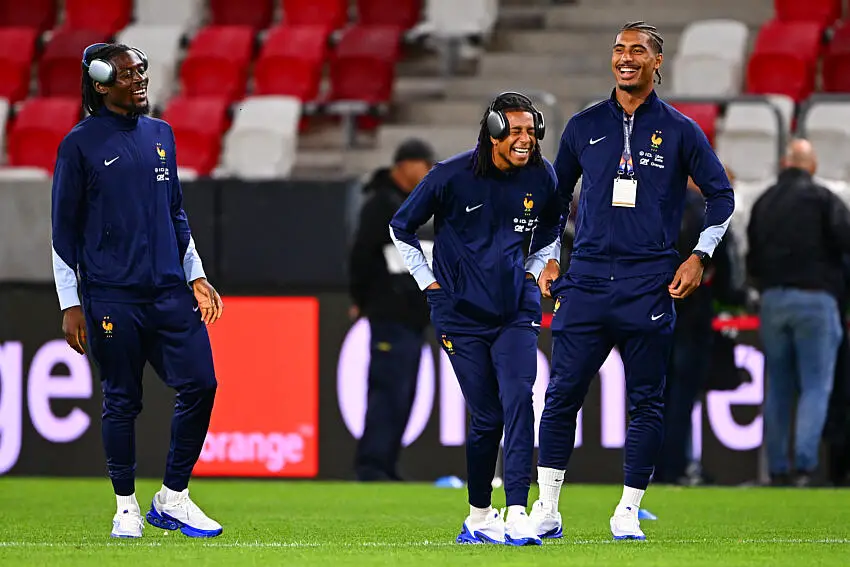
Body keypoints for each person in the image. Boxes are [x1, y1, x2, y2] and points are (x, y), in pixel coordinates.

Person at [529, 21, 735, 540]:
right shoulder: (582, 126)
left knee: (646, 401)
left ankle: (627, 510)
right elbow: (555, 204)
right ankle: (547, 510)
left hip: (649, 284)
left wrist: (699, 256)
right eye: (619, 49)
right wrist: (548, 259)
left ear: (657, 62)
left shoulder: (683, 130)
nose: (626, 57)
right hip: (588, 282)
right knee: (560, 399)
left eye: (638, 50)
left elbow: (722, 196)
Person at [51, 43, 224, 539]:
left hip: (169, 291)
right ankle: (125, 506)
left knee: (202, 384)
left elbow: (176, 214)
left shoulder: (161, 134)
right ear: (101, 85)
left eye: (142, 71)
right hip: (111, 294)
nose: (140, 79)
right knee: (122, 399)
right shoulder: (78, 144)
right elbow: (63, 230)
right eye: (127, 74)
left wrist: (196, 274)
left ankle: (173, 497)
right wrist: (70, 302)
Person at [390, 92, 562, 546]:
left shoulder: (542, 176)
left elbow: (551, 227)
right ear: (493, 131)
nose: (527, 140)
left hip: (516, 310)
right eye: (517, 131)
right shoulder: (449, 175)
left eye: (532, 130)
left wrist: (537, 267)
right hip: (460, 316)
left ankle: (518, 510)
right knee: (486, 417)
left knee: (520, 399)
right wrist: (427, 281)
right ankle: (480, 515)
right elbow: (400, 226)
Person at [747, 138, 850, 487]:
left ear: (783, 163)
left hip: (773, 301)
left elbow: (752, 257)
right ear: (812, 166)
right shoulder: (824, 200)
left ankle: (777, 468)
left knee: (777, 387)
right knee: (815, 386)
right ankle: (805, 467)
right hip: (815, 300)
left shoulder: (763, 202)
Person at [348, 138, 436, 481]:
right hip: (390, 316)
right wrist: (364, 300)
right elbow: (360, 256)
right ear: (404, 165)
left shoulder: (416, 206)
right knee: (387, 392)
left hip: (414, 320)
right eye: (423, 164)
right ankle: (372, 467)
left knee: (403, 394)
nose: (428, 172)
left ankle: (386, 465)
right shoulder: (381, 204)